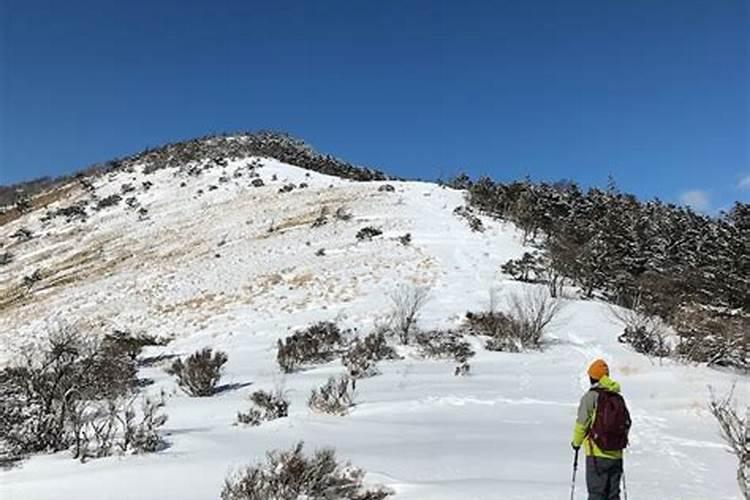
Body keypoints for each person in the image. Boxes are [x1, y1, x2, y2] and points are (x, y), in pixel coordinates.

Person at [571, 359, 631, 500]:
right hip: (616, 455)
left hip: (596, 453)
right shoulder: (618, 398)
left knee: (597, 494)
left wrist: (576, 443)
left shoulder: (591, 397)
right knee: (613, 495)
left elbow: (582, 423)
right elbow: (627, 422)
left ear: (592, 377)